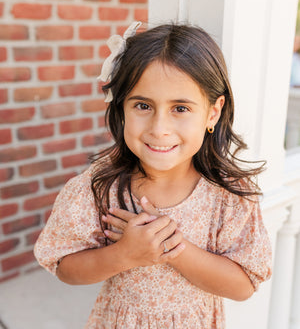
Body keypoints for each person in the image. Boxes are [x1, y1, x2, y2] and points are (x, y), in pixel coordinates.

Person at [34, 22, 272, 329]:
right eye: (143, 105)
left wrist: (170, 248)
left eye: (180, 108)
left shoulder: (228, 196)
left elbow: (243, 285)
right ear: (122, 108)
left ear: (212, 112)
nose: (159, 128)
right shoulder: (98, 187)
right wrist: (125, 254)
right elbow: (65, 266)